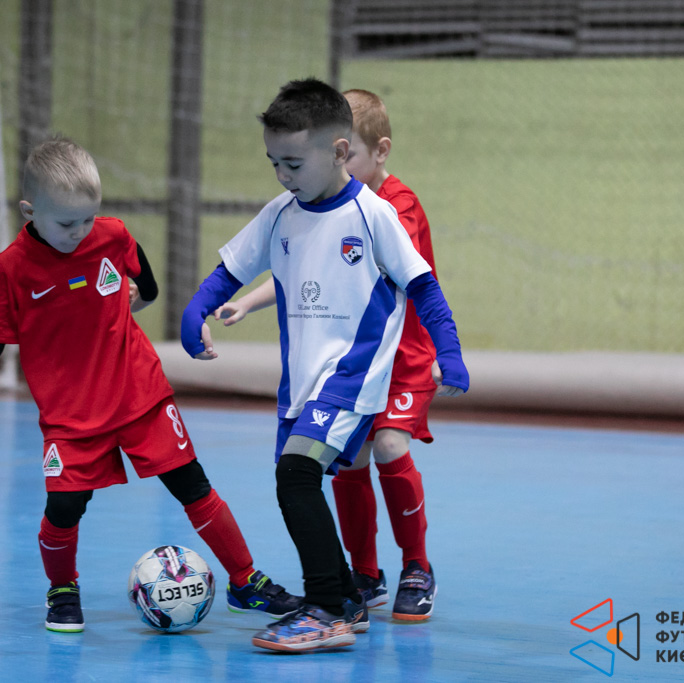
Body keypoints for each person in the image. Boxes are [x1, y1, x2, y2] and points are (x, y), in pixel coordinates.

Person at [0, 135, 300, 634]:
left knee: (192, 484)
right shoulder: (10, 268)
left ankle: (245, 581)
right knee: (64, 506)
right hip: (70, 412)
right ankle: (62, 589)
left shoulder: (112, 235)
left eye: (87, 219)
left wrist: (139, 297)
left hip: (139, 391)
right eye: (66, 223)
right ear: (30, 212)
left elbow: (148, 286)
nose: (79, 232)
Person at [181, 79, 468, 653]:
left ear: (339, 152)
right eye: (273, 162)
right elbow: (233, 269)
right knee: (296, 481)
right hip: (301, 385)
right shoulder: (280, 214)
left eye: (292, 163)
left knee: (296, 475)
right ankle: (345, 597)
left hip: (353, 379)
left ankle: (327, 610)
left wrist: (450, 352)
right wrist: (197, 309)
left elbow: (424, 287)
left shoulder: (374, 214)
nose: (282, 175)